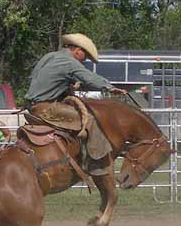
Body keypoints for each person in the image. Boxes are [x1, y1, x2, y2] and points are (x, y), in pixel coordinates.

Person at [24, 33, 127, 175]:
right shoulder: (69, 62)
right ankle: (97, 164)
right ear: (78, 51)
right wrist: (109, 87)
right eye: (85, 56)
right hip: (47, 108)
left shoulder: (49, 57)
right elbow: (88, 77)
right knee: (89, 120)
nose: (84, 60)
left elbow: (37, 78)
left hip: (33, 106)